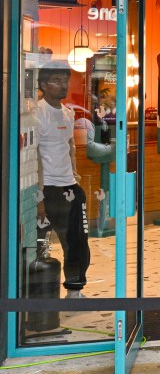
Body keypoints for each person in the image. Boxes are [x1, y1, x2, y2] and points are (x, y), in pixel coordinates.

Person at [35, 62, 90, 299]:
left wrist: (75, 180)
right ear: (43, 85)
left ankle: (74, 290)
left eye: (65, 80)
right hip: (48, 189)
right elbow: (34, 154)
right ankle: (38, 297)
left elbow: (70, 148)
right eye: (57, 81)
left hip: (70, 187)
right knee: (40, 245)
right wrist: (38, 197)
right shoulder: (37, 113)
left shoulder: (68, 113)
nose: (63, 85)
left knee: (77, 241)